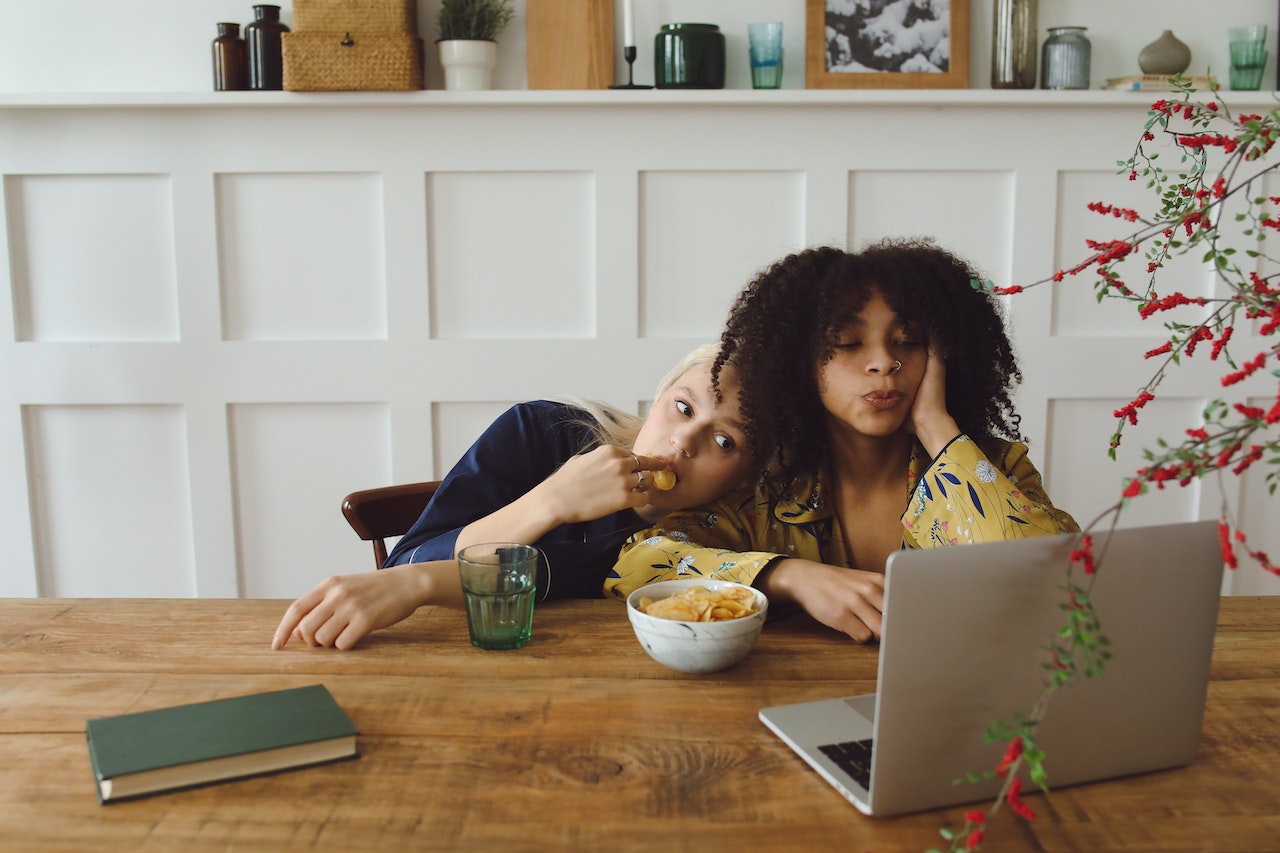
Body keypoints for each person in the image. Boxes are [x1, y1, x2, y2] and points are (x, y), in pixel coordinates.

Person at [605, 239, 1079, 643]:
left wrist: (937, 426)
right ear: (800, 363)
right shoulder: (763, 490)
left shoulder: (994, 469)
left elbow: (1063, 590)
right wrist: (787, 576)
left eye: (907, 342)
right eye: (850, 343)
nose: (884, 363)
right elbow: (637, 566)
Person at [272, 343, 755, 650]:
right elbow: (404, 564)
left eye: (723, 441)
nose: (683, 442)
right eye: (683, 407)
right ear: (658, 398)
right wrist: (550, 502)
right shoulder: (544, 430)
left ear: (745, 475)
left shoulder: (718, 538)